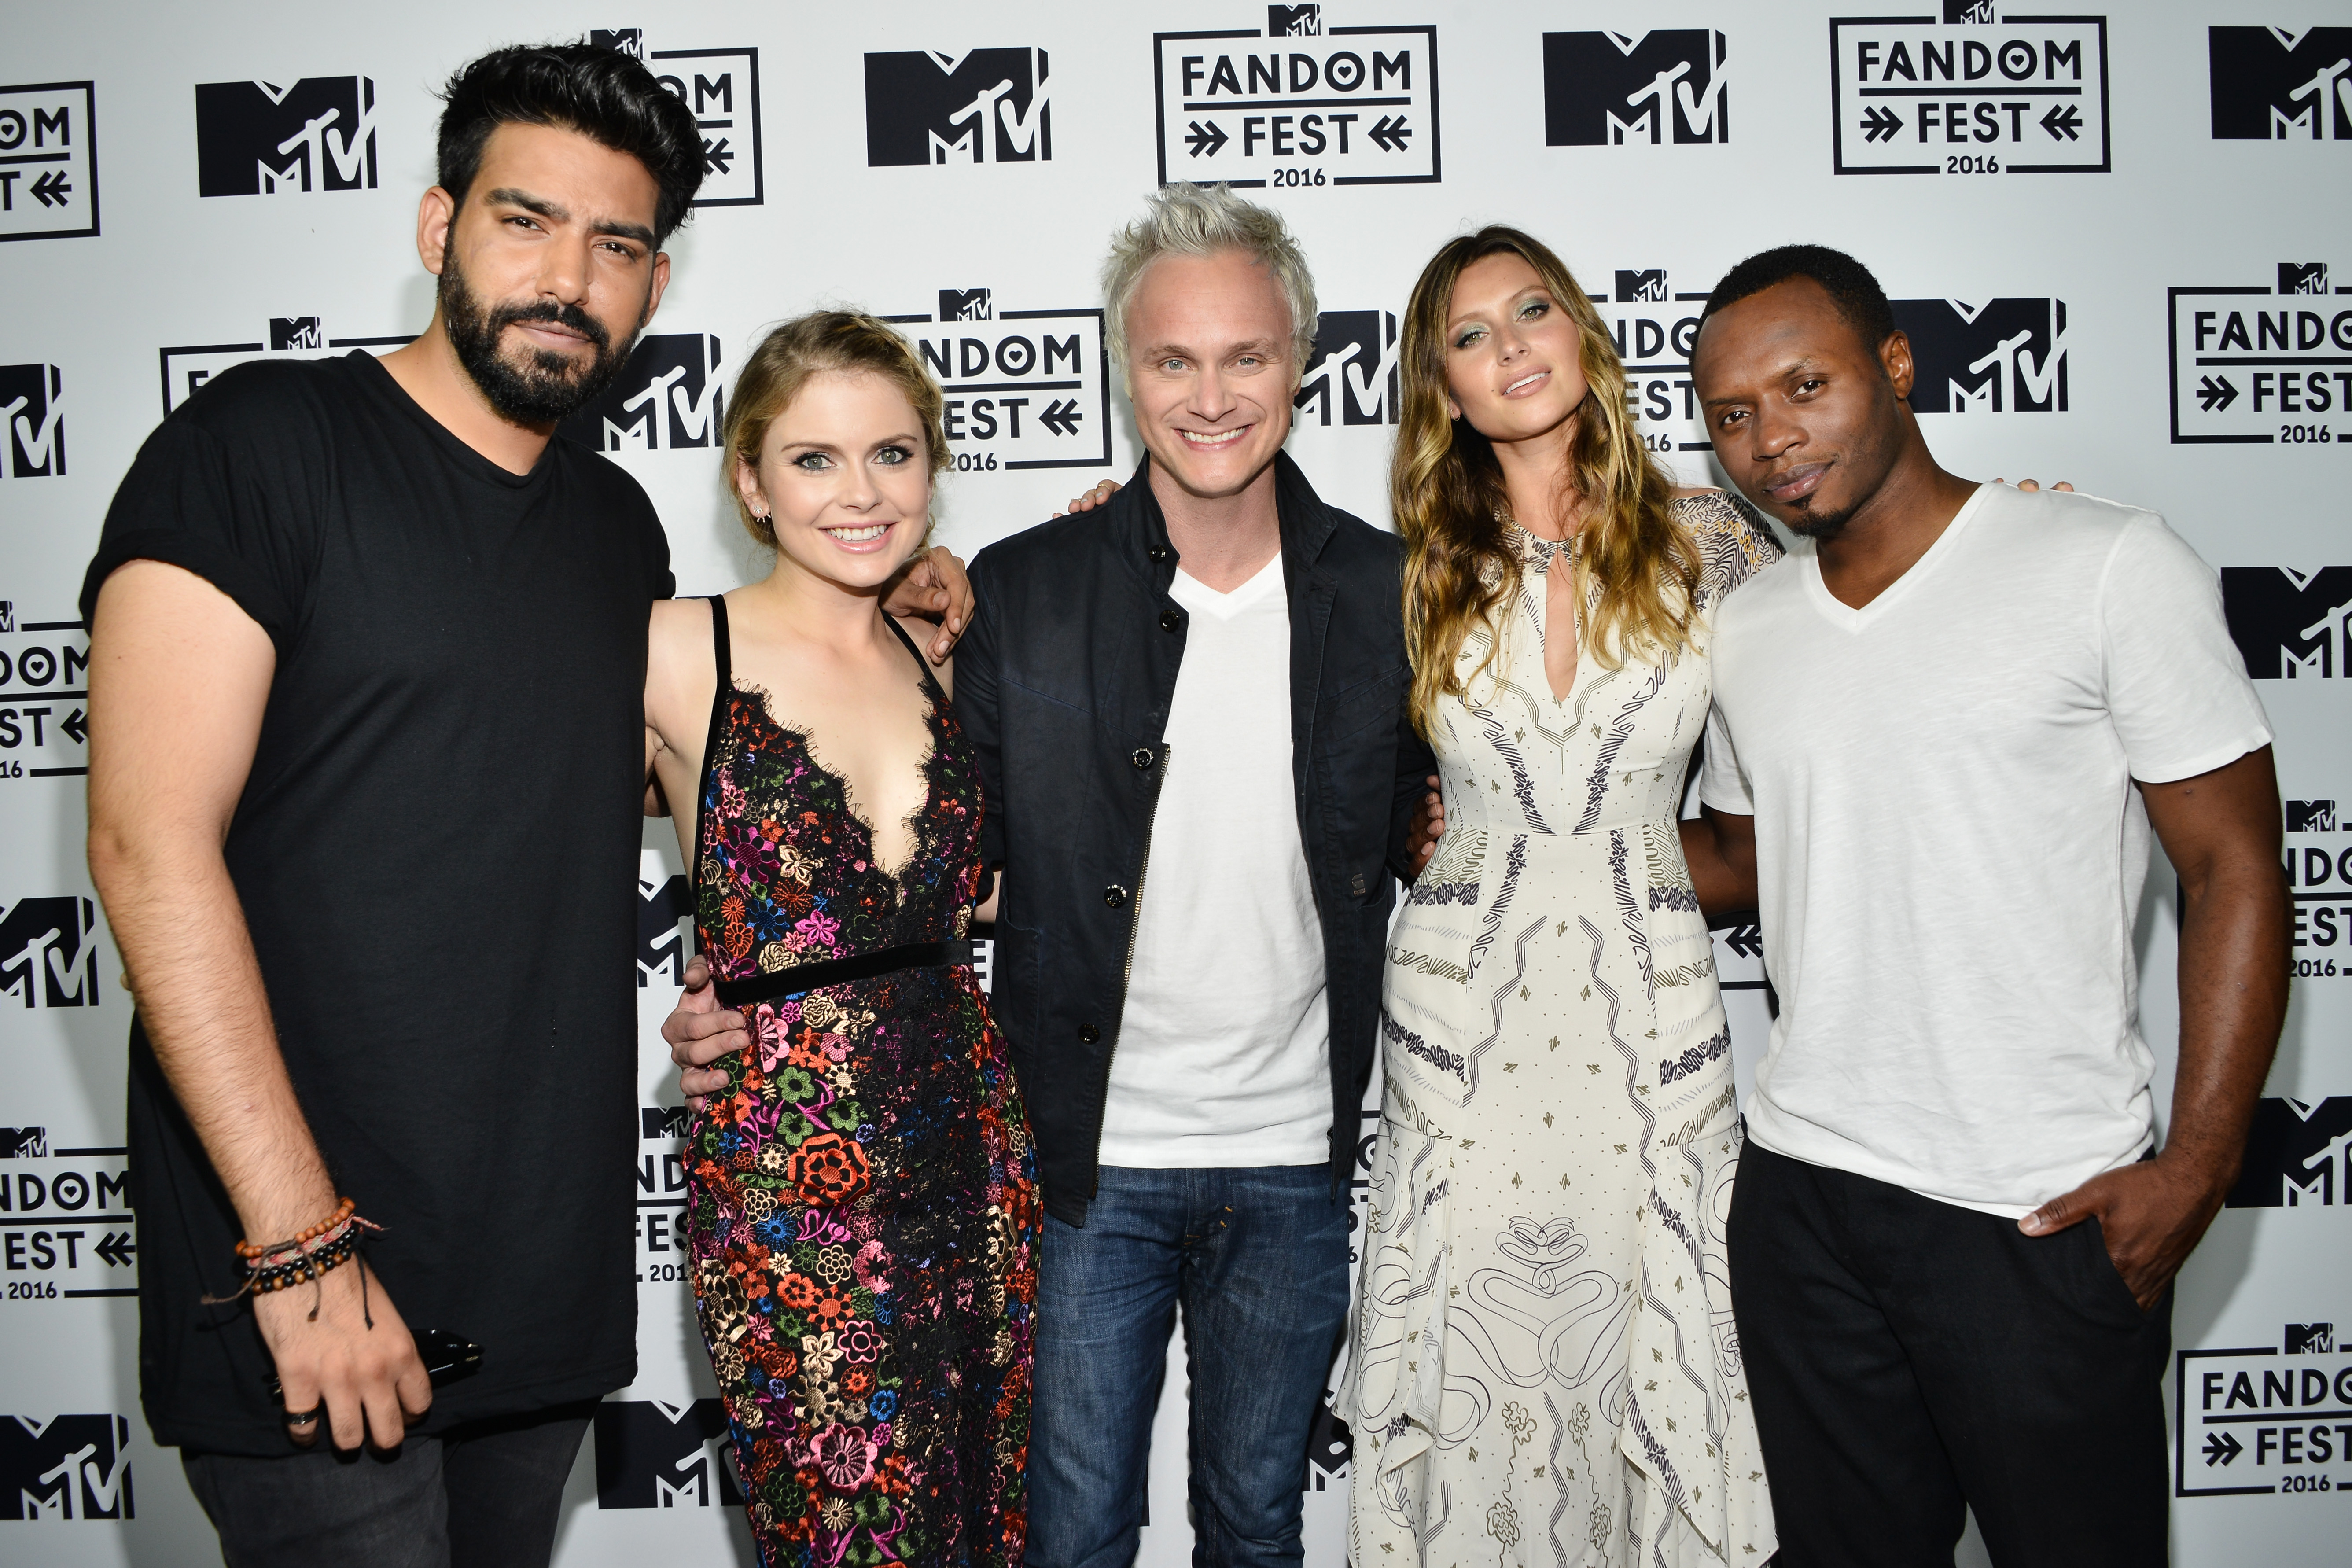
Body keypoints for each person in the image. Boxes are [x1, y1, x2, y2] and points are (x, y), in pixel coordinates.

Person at [81, 45, 966, 1568]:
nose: (567, 278)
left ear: (656, 284)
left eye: (615, 244)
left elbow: (623, 787)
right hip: (308, 1273)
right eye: (525, 221)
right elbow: (147, 846)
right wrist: (298, 1247)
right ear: (439, 226)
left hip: (537, 1277)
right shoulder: (258, 447)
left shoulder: (615, 527)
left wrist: (883, 618)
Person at [671, 182, 1441, 1568]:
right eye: (1172, 359)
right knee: (1070, 1536)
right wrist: (740, 979)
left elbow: (1457, 825)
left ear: (1304, 363)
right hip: (1076, 1167)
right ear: (1123, 371)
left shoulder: (1397, 593)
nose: (1211, 395)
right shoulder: (1019, 590)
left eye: (1247, 356)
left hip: (1294, 1158)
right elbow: (917, 868)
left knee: (1259, 1522)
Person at [1681, 244, 2288, 1567]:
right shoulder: (1750, 628)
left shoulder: (2107, 563)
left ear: (1896, 365)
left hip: (2037, 1204)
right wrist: (1513, 834)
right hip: (1804, 1197)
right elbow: (1734, 856)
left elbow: (2236, 866)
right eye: (1732, 414)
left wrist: (2197, 1168)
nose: (1771, 439)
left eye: (1806, 386)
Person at [1332, 227, 1778, 1568]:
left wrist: (2006, 538)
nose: (1512, 347)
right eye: (1470, 335)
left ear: (1582, 329)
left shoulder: (1714, 542)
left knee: (1664, 1339)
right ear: (1443, 389)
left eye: (1533, 310)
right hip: (1462, 1029)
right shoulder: (1404, 570)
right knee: (1472, 1362)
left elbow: (1833, 718)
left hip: (1654, 1013)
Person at [642, 312, 1038, 1566]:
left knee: (978, 1522)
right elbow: (520, 873)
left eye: (892, 454)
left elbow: (973, 897)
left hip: (974, 1151)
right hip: (789, 1175)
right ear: (751, 482)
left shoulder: (939, 651)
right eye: (813, 459)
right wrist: (680, 1010)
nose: (860, 493)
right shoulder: (673, 647)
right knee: (848, 1530)